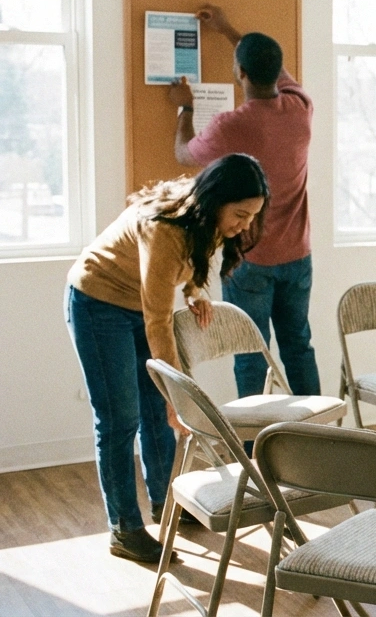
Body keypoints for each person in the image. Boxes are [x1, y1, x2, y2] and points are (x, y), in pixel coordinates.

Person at [66, 154, 269, 563]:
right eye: (241, 214)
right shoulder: (164, 228)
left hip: (137, 308)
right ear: (216, 201)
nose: (245, 225)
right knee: (121, 418)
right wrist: (177, 396)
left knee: (158, 416)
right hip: (97, 304)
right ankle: (124, 529)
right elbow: (158, 320)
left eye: (253, 217)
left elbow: (193, 259)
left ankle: (167, 504)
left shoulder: (208, 220)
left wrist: (195, 291)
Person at [168, 6, 318, 400]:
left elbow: (184, 153)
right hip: (298, 256)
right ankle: (322, 437)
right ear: (279, 71)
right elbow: (263, 61)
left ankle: (255, 448)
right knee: (299, 347)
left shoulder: (230, 126)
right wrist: (229, 29)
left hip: (249, 259)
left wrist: (185, 107)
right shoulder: (301, 108)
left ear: (239, 73)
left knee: (251, 354)